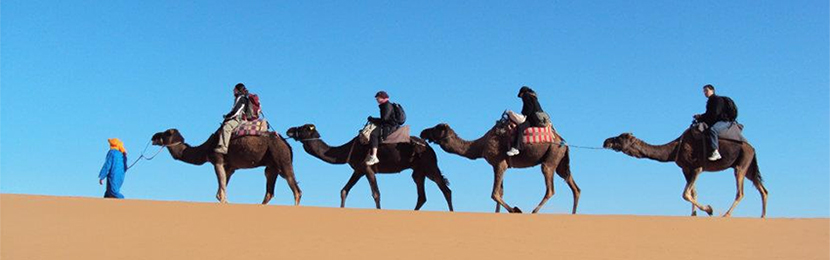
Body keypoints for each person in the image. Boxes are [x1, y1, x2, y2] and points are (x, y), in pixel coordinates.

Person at [693, 84, 736, 161]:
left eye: (706, 90)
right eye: (704, 91)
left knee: (713, 130)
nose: (705, 93)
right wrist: (700, 117)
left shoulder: (717, 100)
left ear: (712, 90)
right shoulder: (710, 101)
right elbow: (710, 114)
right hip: (718, 120)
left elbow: (715, 114)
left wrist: (701, 117)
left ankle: (715, 151)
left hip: (724, 121)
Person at [507, 86, 548, 156]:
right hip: (539, 119)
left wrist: (523, 114)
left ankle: (516, 148)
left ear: (522, 93)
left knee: (520, 128)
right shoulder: (533, 97)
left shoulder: (526, 96)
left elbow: (529, 108)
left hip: (533, 119)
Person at [365, 91, 400, 165]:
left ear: (383, 98)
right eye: (377, 98)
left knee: (373, 134)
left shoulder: (387, 105)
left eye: (378, 98)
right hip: (389, 125)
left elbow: (384, 119)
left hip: (390, 126)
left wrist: (372, 119)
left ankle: (374, 156)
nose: (377, 99)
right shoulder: (385, 105)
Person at [215, 83, 249, 154]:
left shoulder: (241, 98)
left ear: (237, 90)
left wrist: (228, 116)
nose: (233, 90)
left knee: (226, 127)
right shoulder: (242, 98)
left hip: (239, 119)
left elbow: (237, 111)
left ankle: (224, 147)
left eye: (234, 89)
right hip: (240, 118)